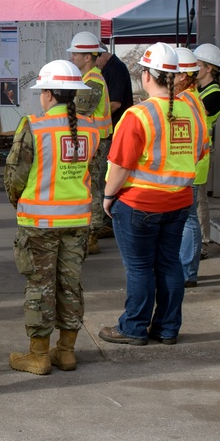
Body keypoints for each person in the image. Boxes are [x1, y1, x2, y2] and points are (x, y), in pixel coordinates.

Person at [97, 42, 207, 346]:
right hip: (179, 200)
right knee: (170, 263)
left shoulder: (138, 115)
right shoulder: (193, 111)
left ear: (147, 75)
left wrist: (108, 197)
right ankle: (167, 328)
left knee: (140, 268)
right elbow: (199, 153)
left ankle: (133, 327)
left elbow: (120, 165)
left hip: (140, 203)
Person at [4, 60, 99, 374]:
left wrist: (18, 200)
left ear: (47, 94)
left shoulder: (35, 125)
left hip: (40, 223)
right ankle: (67, 351)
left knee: (40, 287)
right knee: (70, 285)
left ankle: (39, 355)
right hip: (77, 221)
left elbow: (15, 174)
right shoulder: (90, 128)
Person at [67, 32, 113, 254]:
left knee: (92, 186)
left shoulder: (92, 82)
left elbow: (80, 112)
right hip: (92, 140)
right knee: (89, 184)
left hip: (96, 141)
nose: (72, 57)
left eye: (75, 53)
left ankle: (92, 234)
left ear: (88, 57)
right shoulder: (88, 79)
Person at [173, 47, 205, 288]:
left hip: (190, 165)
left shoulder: (186, 99)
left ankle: (186, 271)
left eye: (172, 73)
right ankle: (186, 269)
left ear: (183, 75)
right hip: (192, 163)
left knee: (189, 220)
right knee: (188, 219)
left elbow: (197, 136)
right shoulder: (191, 96)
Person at [190, 44, 220, 251]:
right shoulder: (198, 89)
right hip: (193, 149)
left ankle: (203, 241)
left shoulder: (214, 94)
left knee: (198, 200)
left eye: (197, 65)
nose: (193, 68)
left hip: (200, 152)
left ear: (208, 68)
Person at [94, 44, 133, 240]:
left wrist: (93, 116)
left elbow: (115, 102)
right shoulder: (110, 68)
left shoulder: (115, 69)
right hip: (110, 131)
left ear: (102, 55)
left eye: (95, 59)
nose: (95, 65)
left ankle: (107, 222)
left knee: (104, 177)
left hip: (112, 132)